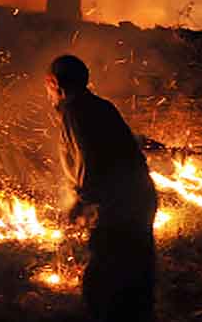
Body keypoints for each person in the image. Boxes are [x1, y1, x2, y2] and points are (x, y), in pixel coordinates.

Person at [48, 54, 158, 322]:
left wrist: (81, 201)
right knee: (135, 277)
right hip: (139, 198)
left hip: (122, 206)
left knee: (103, 285)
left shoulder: (75, 111)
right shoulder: (100, 106)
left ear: (53, 83)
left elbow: (91, 158)